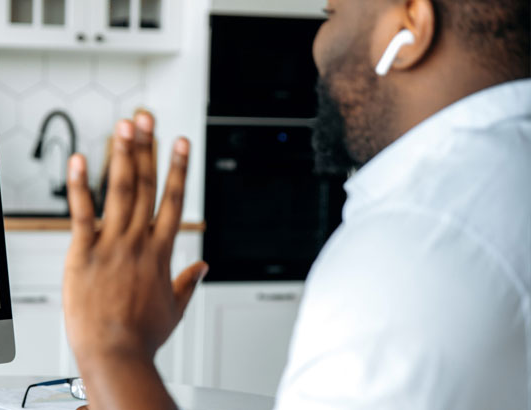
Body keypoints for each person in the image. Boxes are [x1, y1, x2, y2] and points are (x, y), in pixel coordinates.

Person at [62, 0, 531, 409]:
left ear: (409, 28)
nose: (316, 47)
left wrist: (113, 347)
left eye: (332, 14)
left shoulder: (414, 245)